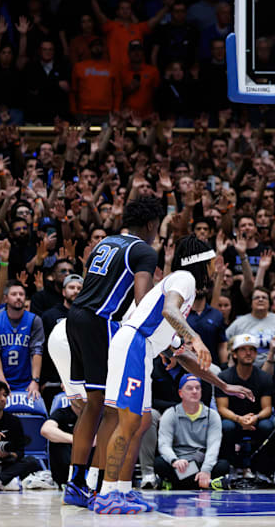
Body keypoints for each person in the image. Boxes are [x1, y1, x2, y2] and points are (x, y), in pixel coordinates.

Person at [94, 236, 252, 513]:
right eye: (213, 259)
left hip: (144, 349)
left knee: (140, 424)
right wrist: (197, 338)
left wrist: (223, 385)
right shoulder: (184, 278)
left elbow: (184, 357)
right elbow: (170, 311)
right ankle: (106, 493)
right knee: (129, 422)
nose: (217, 265)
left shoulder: (183, 290)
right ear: (200, 261)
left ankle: (123, 490)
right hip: (133, 344)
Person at [63, 197, 161, 507]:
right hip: (100, 322)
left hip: (76, 317)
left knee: (93, 406)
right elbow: (142, 299)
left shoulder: (107, 241)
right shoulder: (144, 251)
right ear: (150, 225)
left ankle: (76, 483)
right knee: (111, 409)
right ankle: (102, 485)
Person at [155, 375, 230, 490]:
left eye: (197, 388)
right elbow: (164, 444)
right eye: (189, 388)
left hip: (201, 462)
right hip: (179, 463)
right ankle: (207, 483)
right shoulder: (171, 414)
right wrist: (175, 460)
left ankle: (174, 483)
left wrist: (206, 470)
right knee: (160, 464)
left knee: (223, 465)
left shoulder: (212, 415)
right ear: (180, 393)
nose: (194, 391)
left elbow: (213, 447)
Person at [216, 334, 275, 475]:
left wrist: (255, 418)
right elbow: (222, 408)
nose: (248, 353)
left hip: (255, 420)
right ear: (234, 354)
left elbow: (267, 408)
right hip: (233, 420)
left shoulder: (264, 377)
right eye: (243, 349)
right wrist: (239, 419)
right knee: (226, 426)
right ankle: (229, 466)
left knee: (267, 426)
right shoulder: (224, 377)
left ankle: (262, 469)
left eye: (252, 350)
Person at [0, 280, 45, 398]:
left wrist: (35, 381)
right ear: (5, 299)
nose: (18, 297)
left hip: (27, 381)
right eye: (14, 294)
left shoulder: (34, 320)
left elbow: (37, 351)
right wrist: (1, 380)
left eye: (21, 294)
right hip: (3, 379)